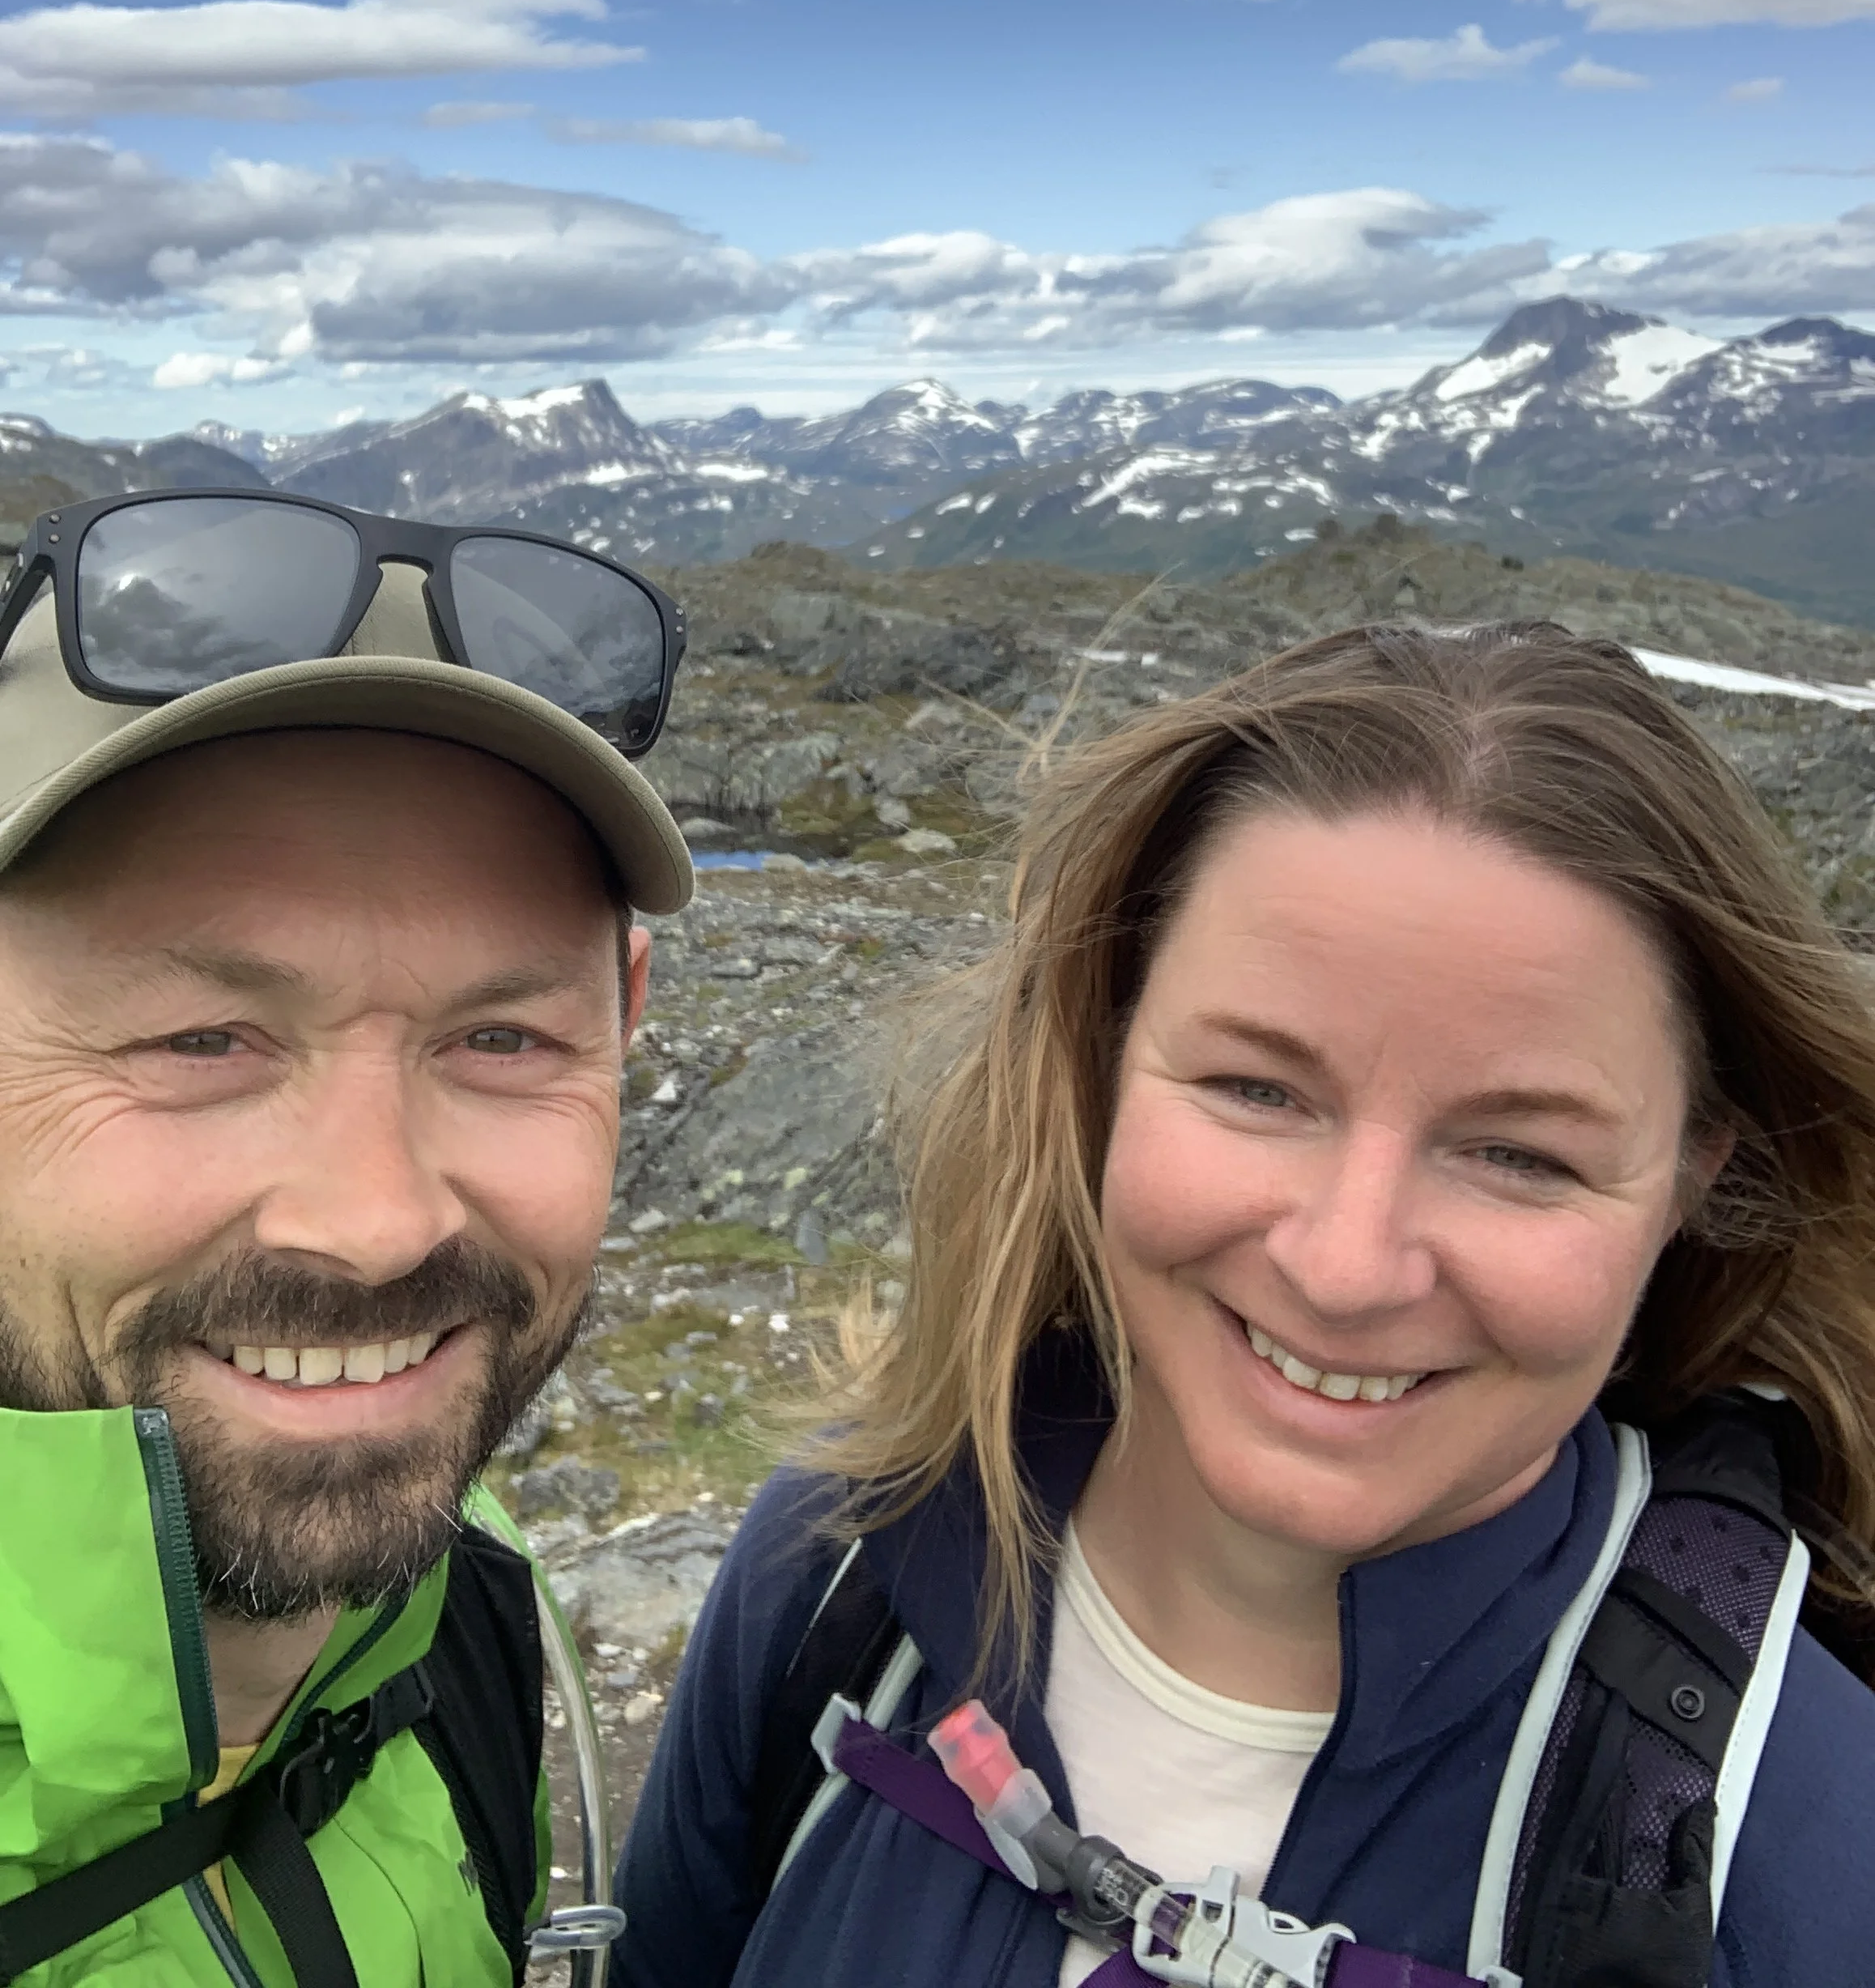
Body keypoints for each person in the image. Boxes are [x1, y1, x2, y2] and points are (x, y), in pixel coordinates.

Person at [619, 619, 1875, 1988]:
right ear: (1101, 1058)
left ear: (1697, 1174)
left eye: (1521, 1154)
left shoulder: (1801, 1853)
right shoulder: (834, 1569)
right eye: (1256, 1090)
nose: (1345, 1268)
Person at [0, 487, 693, 1984]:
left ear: (626, 1015)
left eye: (504, 1038)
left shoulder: (461, 1602)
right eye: (200, 1039)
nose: (378, 1223)